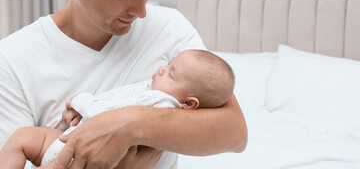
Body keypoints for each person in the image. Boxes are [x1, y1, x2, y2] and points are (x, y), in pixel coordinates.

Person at [0, 0, 247, 168]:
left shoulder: (170, 27)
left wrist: (128, 124)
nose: (141, 12)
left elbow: (234, 133)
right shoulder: (12, 59)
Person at [0, 49, 235, 168]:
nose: (163, 69)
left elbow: (104, 115)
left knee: (25, 140)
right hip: (69, 137)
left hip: (78, 156)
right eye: (169, 63)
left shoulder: (163, 105)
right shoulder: (153, 89)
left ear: (188, 103)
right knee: (23, 136)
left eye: (172, 74)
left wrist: (79, 100)